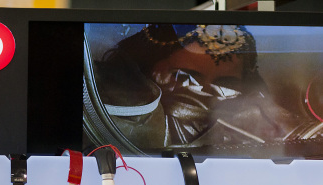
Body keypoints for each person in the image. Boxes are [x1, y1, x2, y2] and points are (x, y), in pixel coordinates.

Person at [83, 24, 317, 155]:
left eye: (225, 86)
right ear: (157, 72)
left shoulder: (256, 133)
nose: (207, 91)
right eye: (187, 78)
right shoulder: (111, 114)